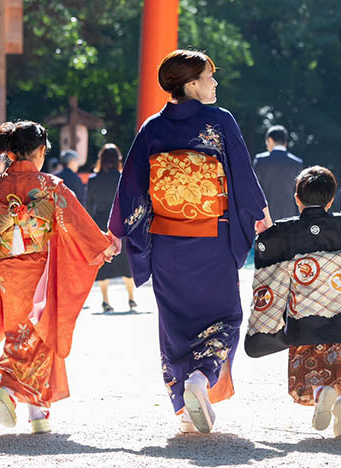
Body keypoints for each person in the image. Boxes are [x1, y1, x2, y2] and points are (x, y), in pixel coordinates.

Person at [108, 49, 270, 434]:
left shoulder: (152, 128)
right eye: (209, 77)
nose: (215, 83)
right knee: (227, 317)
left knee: (175, 324)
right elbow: (242, 175)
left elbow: (130, 186)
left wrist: (116, 232)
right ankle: (203, 377)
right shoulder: (219, 121)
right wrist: (261, 216)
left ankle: (184, 403)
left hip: (166, 245)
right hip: (211, 241)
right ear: (191, 84)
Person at [0, 120, 116, 434]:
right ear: (41, 151)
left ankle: (39, 412)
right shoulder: (51, 186)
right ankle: (8, 389)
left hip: (9, 272)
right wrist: (103, 244)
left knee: (19, 330)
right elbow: (77, 223)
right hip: (41, 272)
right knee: (42, 331)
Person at [245, 166, 341, 437]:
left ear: (297, 199)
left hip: (303, 321)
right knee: (340, 364)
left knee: (310, 366)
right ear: (331, 199)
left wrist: (266, 234)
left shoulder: (285, 232)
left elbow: (269, 267)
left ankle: (323, 393)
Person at [88, 143, 137, 312]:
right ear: (118, 160)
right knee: (126, 263)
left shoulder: (93, 180)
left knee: (105, 263)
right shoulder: (123, 178)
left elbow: (88, 206)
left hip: (101, 224)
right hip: (120, 223)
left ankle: (105, 301)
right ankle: (131, 298)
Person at [253, 125, 304, 221]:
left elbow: (255, 189)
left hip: (265, 216)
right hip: (290, 215)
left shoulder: (261, 160)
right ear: (286, 142)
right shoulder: (297, 163)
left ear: (270, 140)